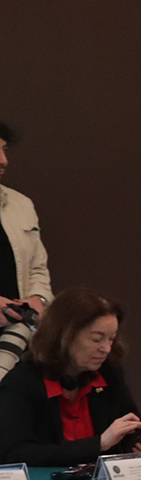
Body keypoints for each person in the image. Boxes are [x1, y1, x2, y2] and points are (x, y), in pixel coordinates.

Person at [0, 288, 141, 466]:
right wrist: (98, 444)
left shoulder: (108, 373)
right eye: (96, 339)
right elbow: (13, 454)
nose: (106, 349)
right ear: (64, 336)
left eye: (111, 339)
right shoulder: (22, 382)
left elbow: (125, 430)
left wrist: (139, 441)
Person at [0, 118, 52, 378]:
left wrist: (38, 300)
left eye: (4, 150)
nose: (4, 161)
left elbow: (37, 269)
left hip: (17, 338)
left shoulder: (20, 205)